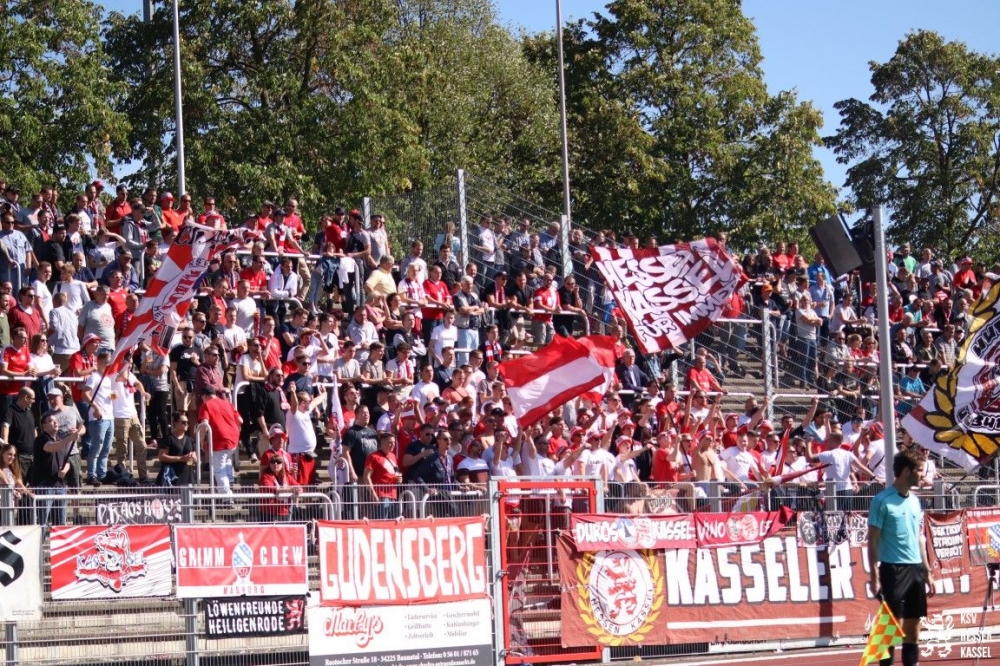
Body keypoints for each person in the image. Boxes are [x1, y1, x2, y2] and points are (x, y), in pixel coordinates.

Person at [868, 448, 935, 666]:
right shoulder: (882, 501)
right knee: (890, 629)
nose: (923, 475)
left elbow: (918, 538)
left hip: (915, 570)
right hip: (892, 570)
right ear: (907, 471)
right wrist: (874, 576)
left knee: (913, 630)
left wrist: (927, 571)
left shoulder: (915, 501)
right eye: (920, 470)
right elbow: (872, 541)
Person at [30, 411, 79, 525]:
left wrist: (64, 470)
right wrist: (69, 438)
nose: (55, 422)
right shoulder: (41, 439)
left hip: (60, 486)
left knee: (60, 523)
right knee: (42, 522)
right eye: (51, 421)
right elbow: (51, 447)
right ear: (44, 426)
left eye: (56, 420)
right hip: (45, 486)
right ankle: (42, 537)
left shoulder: (60, 440)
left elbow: (67, 461)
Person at [197, 386, 242, 503]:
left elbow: (204, 424)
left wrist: (201, 441)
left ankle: (227, 497)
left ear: (205, 396)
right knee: (227, 461)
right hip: (233, 438)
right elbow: (240, 420)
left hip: (219, 439)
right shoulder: (227, 403)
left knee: (218, 469)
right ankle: (229, 482)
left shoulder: (206, 405)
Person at [362, 432, 402, 519]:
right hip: (381, 495)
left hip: (393, 494)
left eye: (394, 442)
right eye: (390, 442)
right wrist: (373, 494)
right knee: (381, 520)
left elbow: (394, 473)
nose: (393, 445)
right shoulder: (373, 457)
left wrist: (398, 479)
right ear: (382, 443)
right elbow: (366, 476)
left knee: (392, 521)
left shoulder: (393, 456)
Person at [157, 412, 197, 487]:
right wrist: (181, 458)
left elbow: (194, 461)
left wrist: (192, 459)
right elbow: (161, 457)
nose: (186, 424)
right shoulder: (169, 438)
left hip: (187, 475)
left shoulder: (190, 440)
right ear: (175, 423)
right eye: (183, 422)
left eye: (188, 423)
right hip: (172, 476)